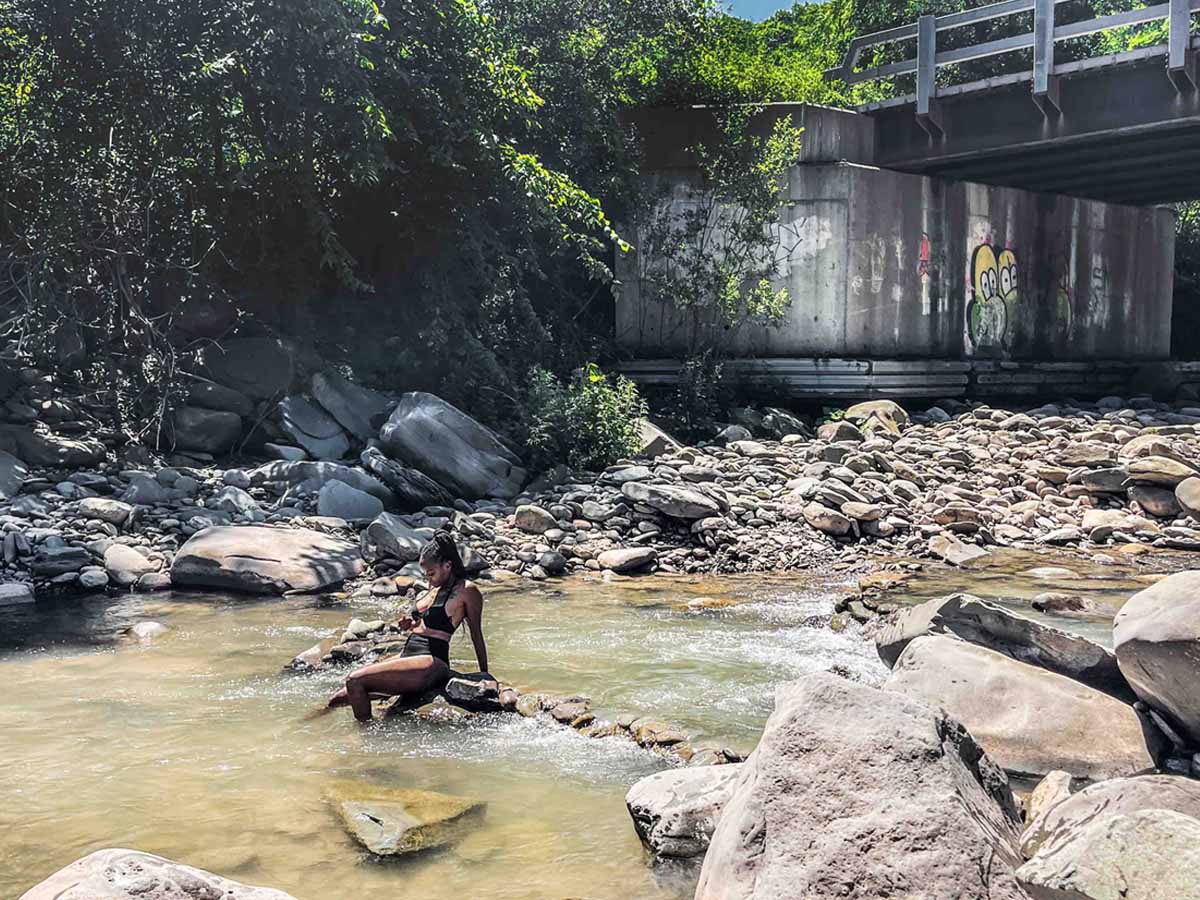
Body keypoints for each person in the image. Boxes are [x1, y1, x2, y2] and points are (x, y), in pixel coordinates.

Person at [327, 530, 488, 721]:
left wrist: (484, 674)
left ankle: (365, 739)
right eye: (425, 575)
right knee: (337, 699)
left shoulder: (466, 590)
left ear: (447, 565)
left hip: (431, 660)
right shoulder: (433, 589)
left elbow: (476, 634)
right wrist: (410, 624)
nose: (428, 579)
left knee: (355, 680)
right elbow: (423, 622)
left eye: (431, 574)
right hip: (408, 654)